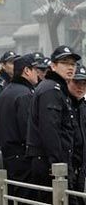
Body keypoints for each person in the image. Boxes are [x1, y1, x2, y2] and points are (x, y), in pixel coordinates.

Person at [27, 45, 80, 202]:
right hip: (50, 165)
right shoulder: (52, 90)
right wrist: (57, 165)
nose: (70, 67)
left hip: (53, 162)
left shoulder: (58, 89)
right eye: (65, 63)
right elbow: (50, 130)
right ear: (53, 65)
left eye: (73, 64)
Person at [0, 54, 38, 199]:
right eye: (35, 69)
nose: (38, 73)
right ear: (27, 70)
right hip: (23, 156)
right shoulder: (24, 94)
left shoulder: (6, 91)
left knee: (13, 196)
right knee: (26, 197)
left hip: (9, 154)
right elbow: (28, 130)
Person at [67, 65, 86, 204]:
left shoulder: (83, 106)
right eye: (77, 82)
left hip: (82, 168)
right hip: (67, 168)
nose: (80, 87)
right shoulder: (64, 105)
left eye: (84, 84)